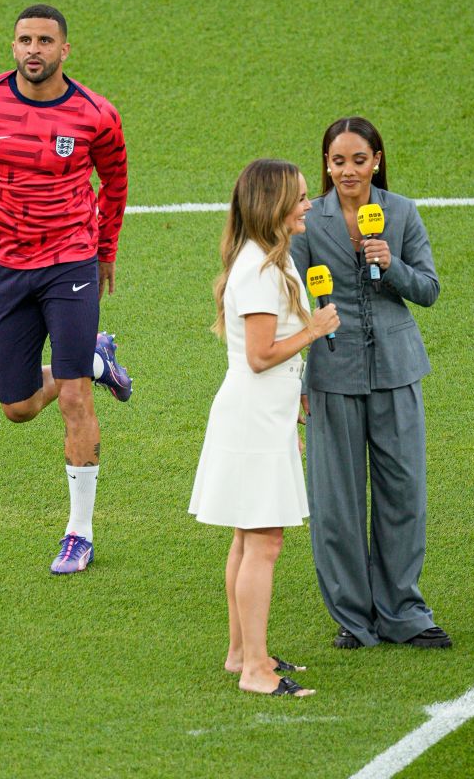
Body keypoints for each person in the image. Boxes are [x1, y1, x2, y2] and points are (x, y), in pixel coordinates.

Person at [0, 3, 132, 575]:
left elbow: (115, 181)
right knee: (15, 407)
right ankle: (91, 357)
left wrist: (105, 250)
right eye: (24, 40)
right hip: (7, 266)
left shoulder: (95, 115)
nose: (33, 49)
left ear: (65, 50)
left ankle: (78, 534)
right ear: (13, 47)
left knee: (75, 396)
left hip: (71, 264)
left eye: (45, 41)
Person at [291, 116, 451, 648]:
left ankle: (404, 611)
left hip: (397, 370)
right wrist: (294, 387)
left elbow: (428, 289)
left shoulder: (401, 212)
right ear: (327, 165)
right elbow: (292, 305)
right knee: (335, 502)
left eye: (359, 160)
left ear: (376, 159)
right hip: (331, 375)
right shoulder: (308, 222)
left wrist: (394, 264)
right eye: (338, 162)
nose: (348, 171)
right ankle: (354, 620)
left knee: (402, 493)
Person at [189, 159, 340, 697]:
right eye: (300, 197)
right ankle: (255, 670)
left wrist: (292, 399)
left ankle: (240, 654)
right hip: (252, 418)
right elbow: (258, 355)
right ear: (274, 205)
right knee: (264, 542)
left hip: (261, 416)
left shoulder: (270, 261)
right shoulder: (259, 269)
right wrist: (316, 330)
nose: (308, 205)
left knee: (248, 537)